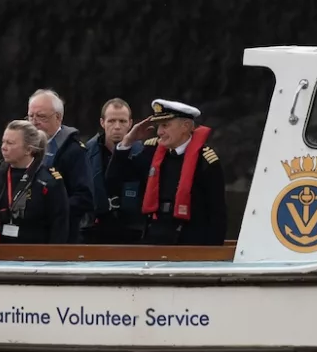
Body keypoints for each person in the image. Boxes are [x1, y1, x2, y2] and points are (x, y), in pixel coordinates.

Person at [105, 99, 227, 246]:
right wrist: (127, 143)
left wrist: (211, 257)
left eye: (165, 125)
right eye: (159, 126)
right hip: (153, 239)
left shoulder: (206, 161)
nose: (159, 132)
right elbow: (114, 179)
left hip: (189, 244)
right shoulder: (151, 151)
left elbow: (217, 215)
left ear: (186, 126)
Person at [0, 120, 70, 248]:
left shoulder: (49, 180)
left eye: (10, 143)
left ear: (28, 149)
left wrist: (50, 259)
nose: (3, 147)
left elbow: (59, 227)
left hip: (33, 255)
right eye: (3, 142)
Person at [26, 89, 94, 243]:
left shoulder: (74, 151)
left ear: (58, 117)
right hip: (28, 234)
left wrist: (51, 209)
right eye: (31, 116)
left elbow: (85, 198)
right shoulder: (23, 148)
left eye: (41, 116)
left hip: (61, 236)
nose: (34, 122)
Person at [81, 98, 146, 244]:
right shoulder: (85, 153)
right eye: (111, 121)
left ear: (130, 123)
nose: (117, 127)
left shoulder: (144, 153)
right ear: (102, 122)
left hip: (133, 229)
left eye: (122, 121)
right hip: (94, 228)